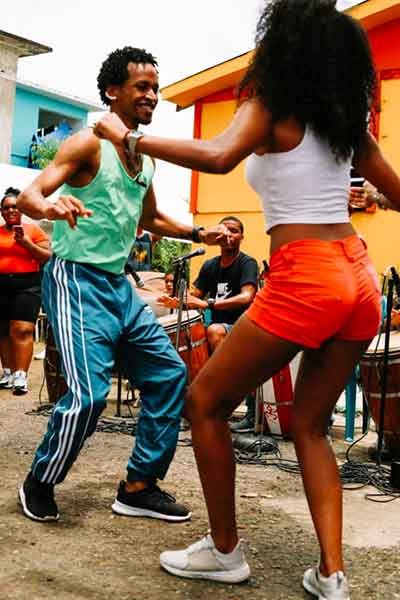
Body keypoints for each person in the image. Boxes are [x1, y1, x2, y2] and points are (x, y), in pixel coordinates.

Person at [94, 2, 400, 596]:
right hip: (358, 276)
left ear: (282, 47)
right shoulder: (348, 128)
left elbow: (217, 157)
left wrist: (129, 135)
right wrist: (375, 197)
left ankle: (225, 550)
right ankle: (332, 574)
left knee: (205, 402)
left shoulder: (269, 108)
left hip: (307, 275)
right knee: (310, 426)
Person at [16, 46, 228, 525]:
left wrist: (199, 233)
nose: (152, 95)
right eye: (142, 87)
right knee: (88, 396)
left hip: (117, 285)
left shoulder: (145, 159)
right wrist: (50, 207)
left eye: (156, 88)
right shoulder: (87, 144)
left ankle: (138, 486)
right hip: (76, 280)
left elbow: (150, 218)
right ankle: (40, 481)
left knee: (168, 375)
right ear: (113, 91)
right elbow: (31, 194)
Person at [158, 215, 259, 432]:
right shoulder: (210, 265)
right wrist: (178, 299)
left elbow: (247, 296)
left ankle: (229, 392)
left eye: (234, 231)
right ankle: (197, 405)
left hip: (245, 327)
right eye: (224, 230)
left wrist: (208, 303)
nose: (229, 234)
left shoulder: (247, 263)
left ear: (242, 237)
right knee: (190, 339)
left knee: (213, 330)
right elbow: (195, 295)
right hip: (219, 329)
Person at [0, 187, 51, 395]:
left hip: (27, 284)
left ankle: (21, 375)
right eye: (6, 208)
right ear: (2, 211)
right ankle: (8, 372)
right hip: (1, 284)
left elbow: (47, 257)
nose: (11, 210)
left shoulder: (34, 231)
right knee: (3, 331)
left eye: (15, 206)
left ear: (21, 209)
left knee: (22, 329)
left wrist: (26, 243)